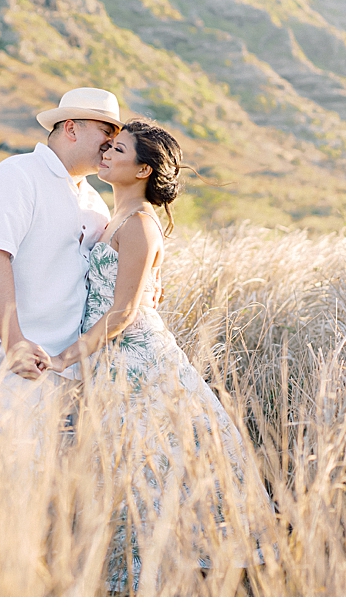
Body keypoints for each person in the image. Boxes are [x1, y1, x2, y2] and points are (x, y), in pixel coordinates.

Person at [52, 118, 268, 592]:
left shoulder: (140, 226)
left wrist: (64, 357)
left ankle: (164, 577)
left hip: (137, 360)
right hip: (113, 362)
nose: (106, 154)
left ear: (143, 169)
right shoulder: (118, 219)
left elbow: (124, 313)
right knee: (130, 467)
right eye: (106, 146)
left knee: (150, 465)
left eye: (118, 149)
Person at [0, 87, 121, 420]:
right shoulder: (17, 175)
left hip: (68, 369)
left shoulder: (94, 202)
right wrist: (14, 342)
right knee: (9, 470)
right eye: (106, 131)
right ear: (71, 128)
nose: (112, 143)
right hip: (13, 364)